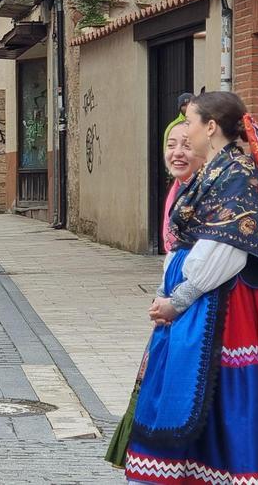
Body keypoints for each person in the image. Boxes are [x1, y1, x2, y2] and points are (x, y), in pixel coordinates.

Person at [124, 91, 258, 484]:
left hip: (229, 309)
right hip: (211, 303)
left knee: (227, 398)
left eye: (191, 122)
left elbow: (226, 250)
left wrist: (178, 300)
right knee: (206, 400)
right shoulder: (220, 170)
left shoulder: (237, 176)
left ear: (210, 127)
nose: (187, 130)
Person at [105, 121, 205, 468]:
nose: (177, 153)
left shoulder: (206, 191)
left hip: (195, 305)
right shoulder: (180, 189)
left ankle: (176, 464)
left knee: (183, 385)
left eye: (186, 146)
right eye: (171, 145)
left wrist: (176, 299)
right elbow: (172, 248)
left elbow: (215, 254)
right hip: (172, 298)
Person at [161, 92, 193, 158]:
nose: (187, 107)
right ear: (180, 108)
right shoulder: (173, 126)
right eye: (184, 105)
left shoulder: (201, 123)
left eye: (190, 104)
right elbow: (167, 151)